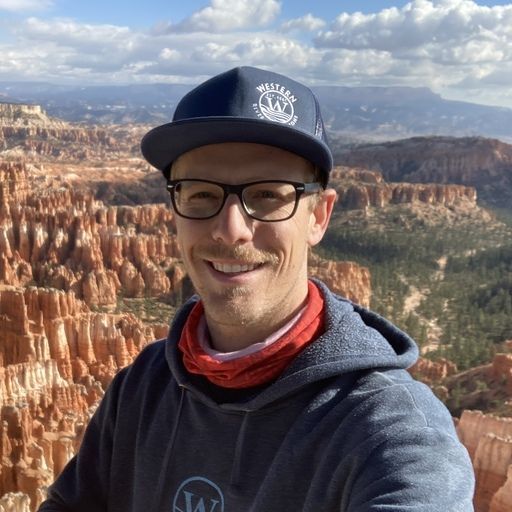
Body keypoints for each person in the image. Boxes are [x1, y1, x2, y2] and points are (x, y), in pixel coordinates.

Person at [38, 66, 475, 512]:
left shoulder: (392, 435)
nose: (231, 230)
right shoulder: (145, 383)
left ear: (319, 217)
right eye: (200, 194)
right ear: (174, 207)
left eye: (268, 195)